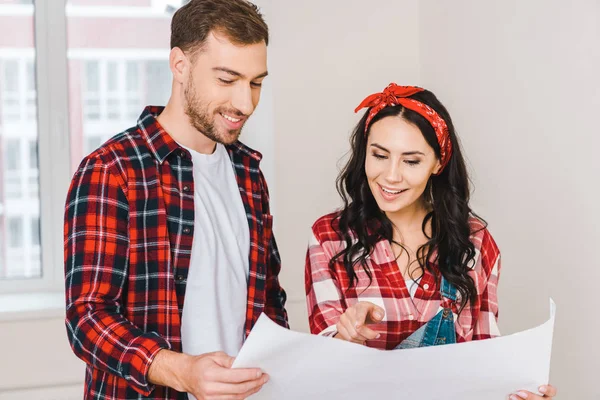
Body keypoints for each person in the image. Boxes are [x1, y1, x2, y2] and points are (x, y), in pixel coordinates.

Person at [64, 1, 288, 399]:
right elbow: (87, 319)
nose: (246, 103)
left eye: (255, 83)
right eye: (227, 79)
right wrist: (181, 371)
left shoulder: (250, 174)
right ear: (180, 65)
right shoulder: (110, 170)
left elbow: (268, 300)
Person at [305, 83, 557, 400]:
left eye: (411, 161)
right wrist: (346, 334)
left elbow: (485, 360)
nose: (391, 176)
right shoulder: (331, 238)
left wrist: (517, 393)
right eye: (379, 155)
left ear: (438, 163)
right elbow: (320, 372)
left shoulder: (474, 242)